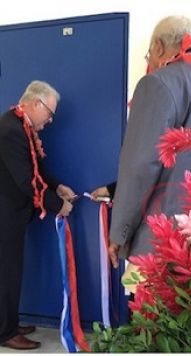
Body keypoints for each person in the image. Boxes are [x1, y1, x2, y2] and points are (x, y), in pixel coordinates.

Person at [107, 16, 191, 268]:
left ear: (158, 47)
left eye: (149, 56)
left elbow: (140, 166)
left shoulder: (158, 83)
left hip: (166, 245)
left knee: (156, 308)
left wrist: (120, 232)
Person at [0, 81, 75, 350]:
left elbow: (37, 171)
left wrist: (57, 187)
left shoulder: (21, 126)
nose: (51, 119)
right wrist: (57, 205)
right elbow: (26, 182)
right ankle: (5, 332)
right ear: (35, 104)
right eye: (50, 113)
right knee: (7, 274)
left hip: (13, 215)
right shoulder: (10, 130)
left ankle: (7, 322)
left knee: (10, 272)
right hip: (5, 216)